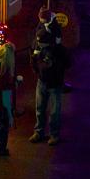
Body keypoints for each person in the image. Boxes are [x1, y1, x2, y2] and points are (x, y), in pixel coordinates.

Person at [31, 11, 70, 144]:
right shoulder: (39, 46)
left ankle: (54, 135)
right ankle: (39, 132)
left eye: (41, 44)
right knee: (40, 109)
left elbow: (67, 62)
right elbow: (34, 61)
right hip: (42, 81)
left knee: (54, 111)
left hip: (54, 83)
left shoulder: (58, 50)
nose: (39, 46)